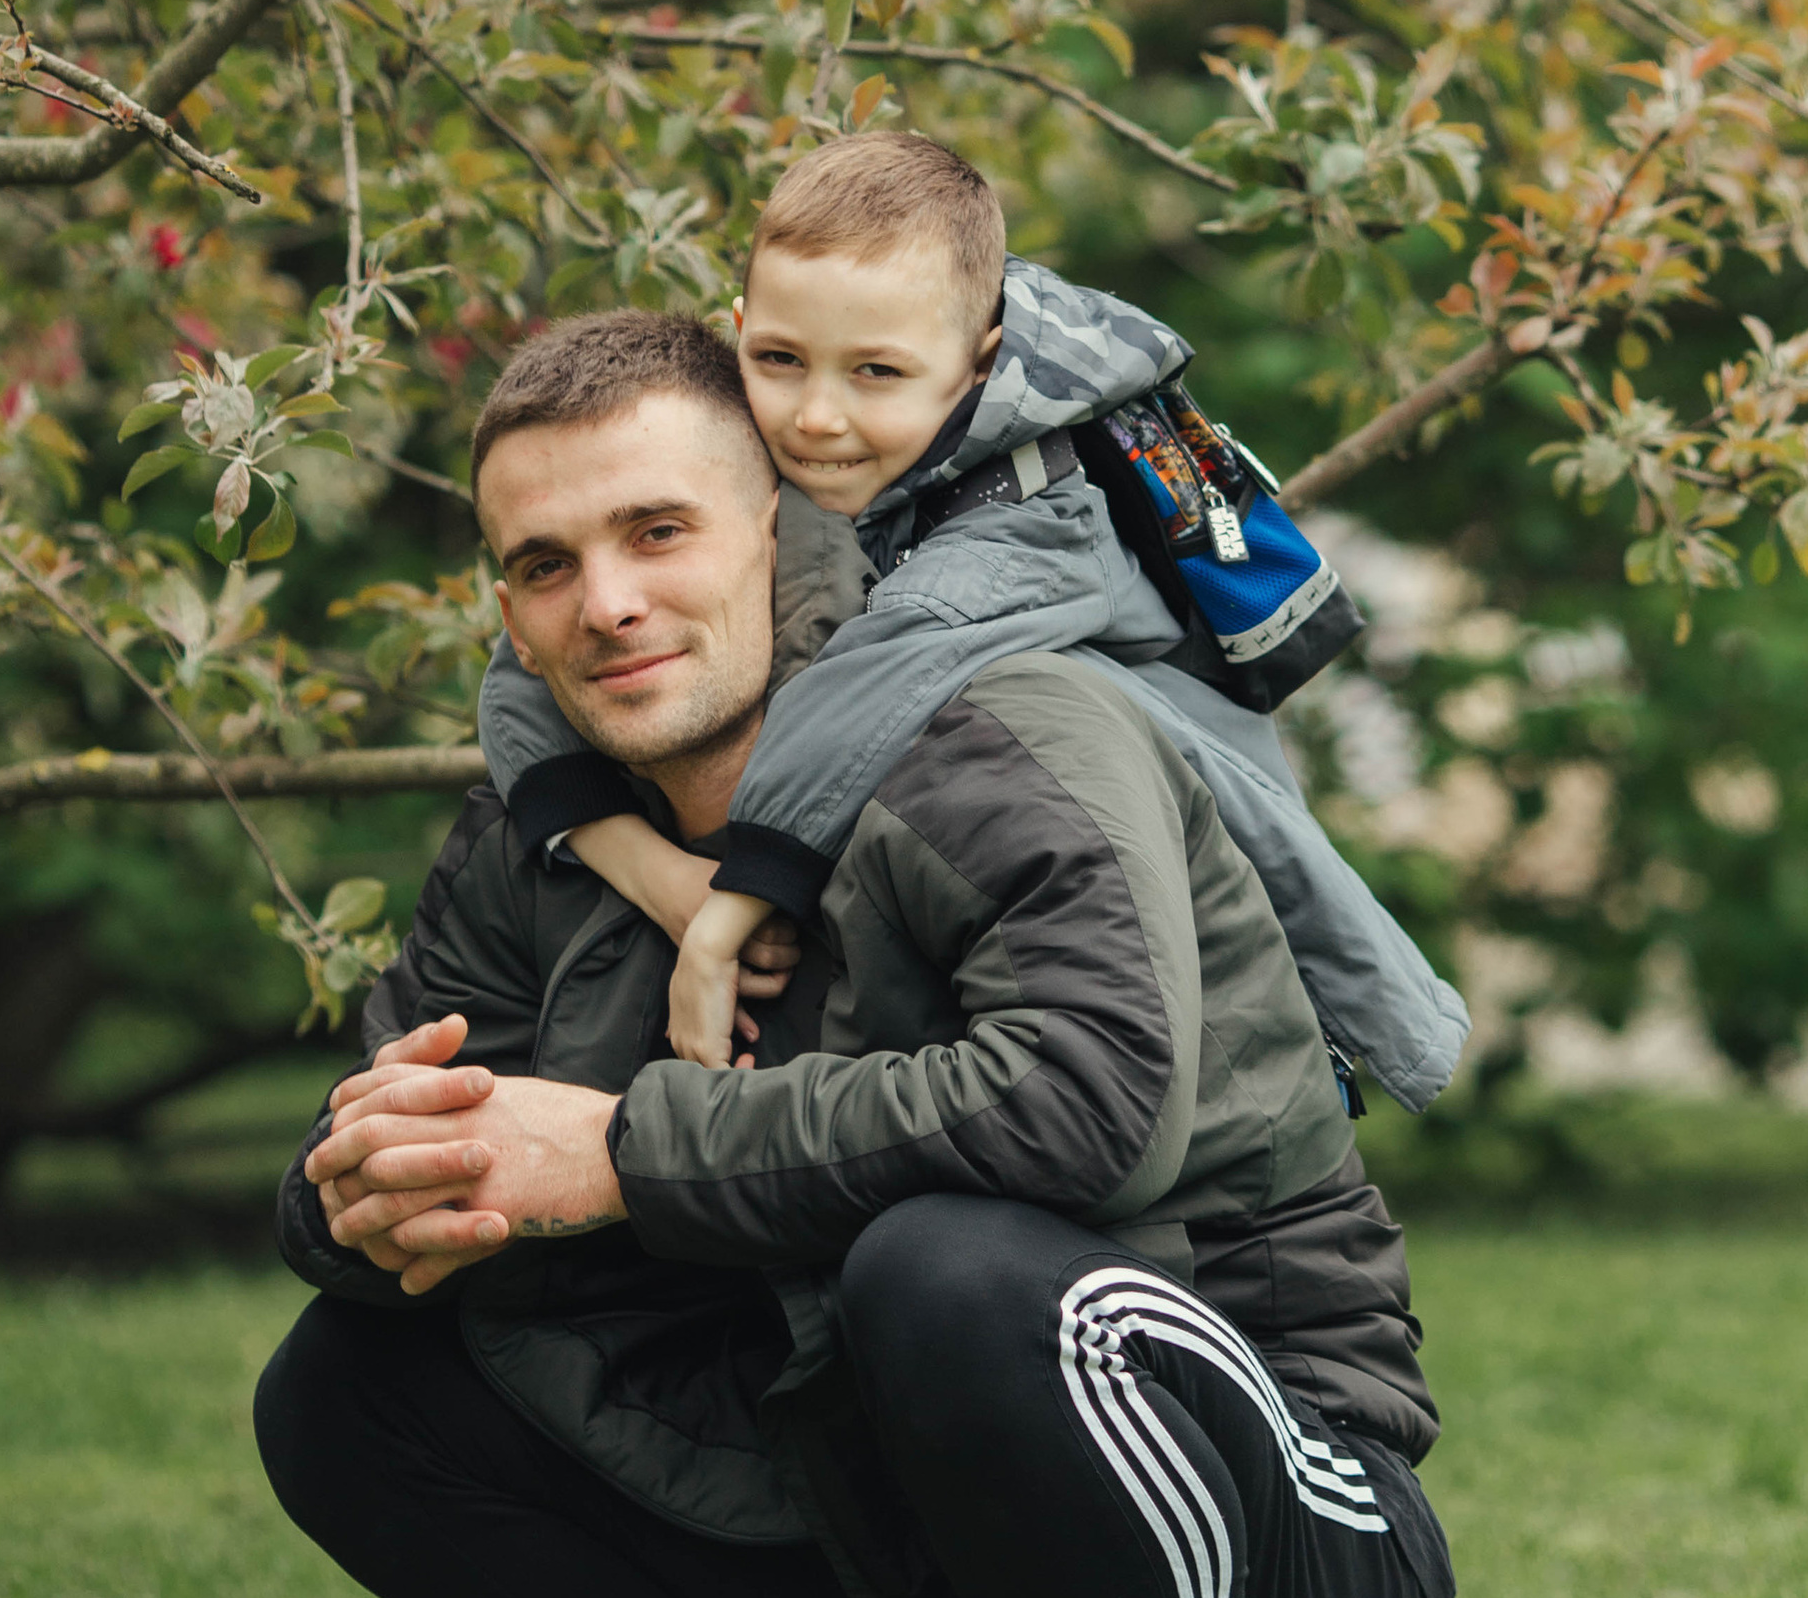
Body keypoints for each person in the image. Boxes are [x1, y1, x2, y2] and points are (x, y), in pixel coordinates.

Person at [255, 309, 1454, 1598]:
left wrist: (619, 1153)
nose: (604, 603)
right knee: (349, 1390)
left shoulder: (1003, 732)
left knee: (950, 1269)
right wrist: (369, 1191)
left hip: (1282, 1546)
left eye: (655, 531)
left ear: (780, 524)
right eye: (543, 562)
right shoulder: (538, 843)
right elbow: (385, 1119)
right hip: (911, 1536)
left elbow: (1091, 1109)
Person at [475, 135, 1466, 1107]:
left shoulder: (1040, 505)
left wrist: (725, 914)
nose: (815, 415)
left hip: (1163, 825)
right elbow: (530, 667)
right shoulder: (826, 443)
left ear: (979, 361)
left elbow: (882, 671)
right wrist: (647, 870)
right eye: (779, 358)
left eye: (875, 373)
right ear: (743, 327)